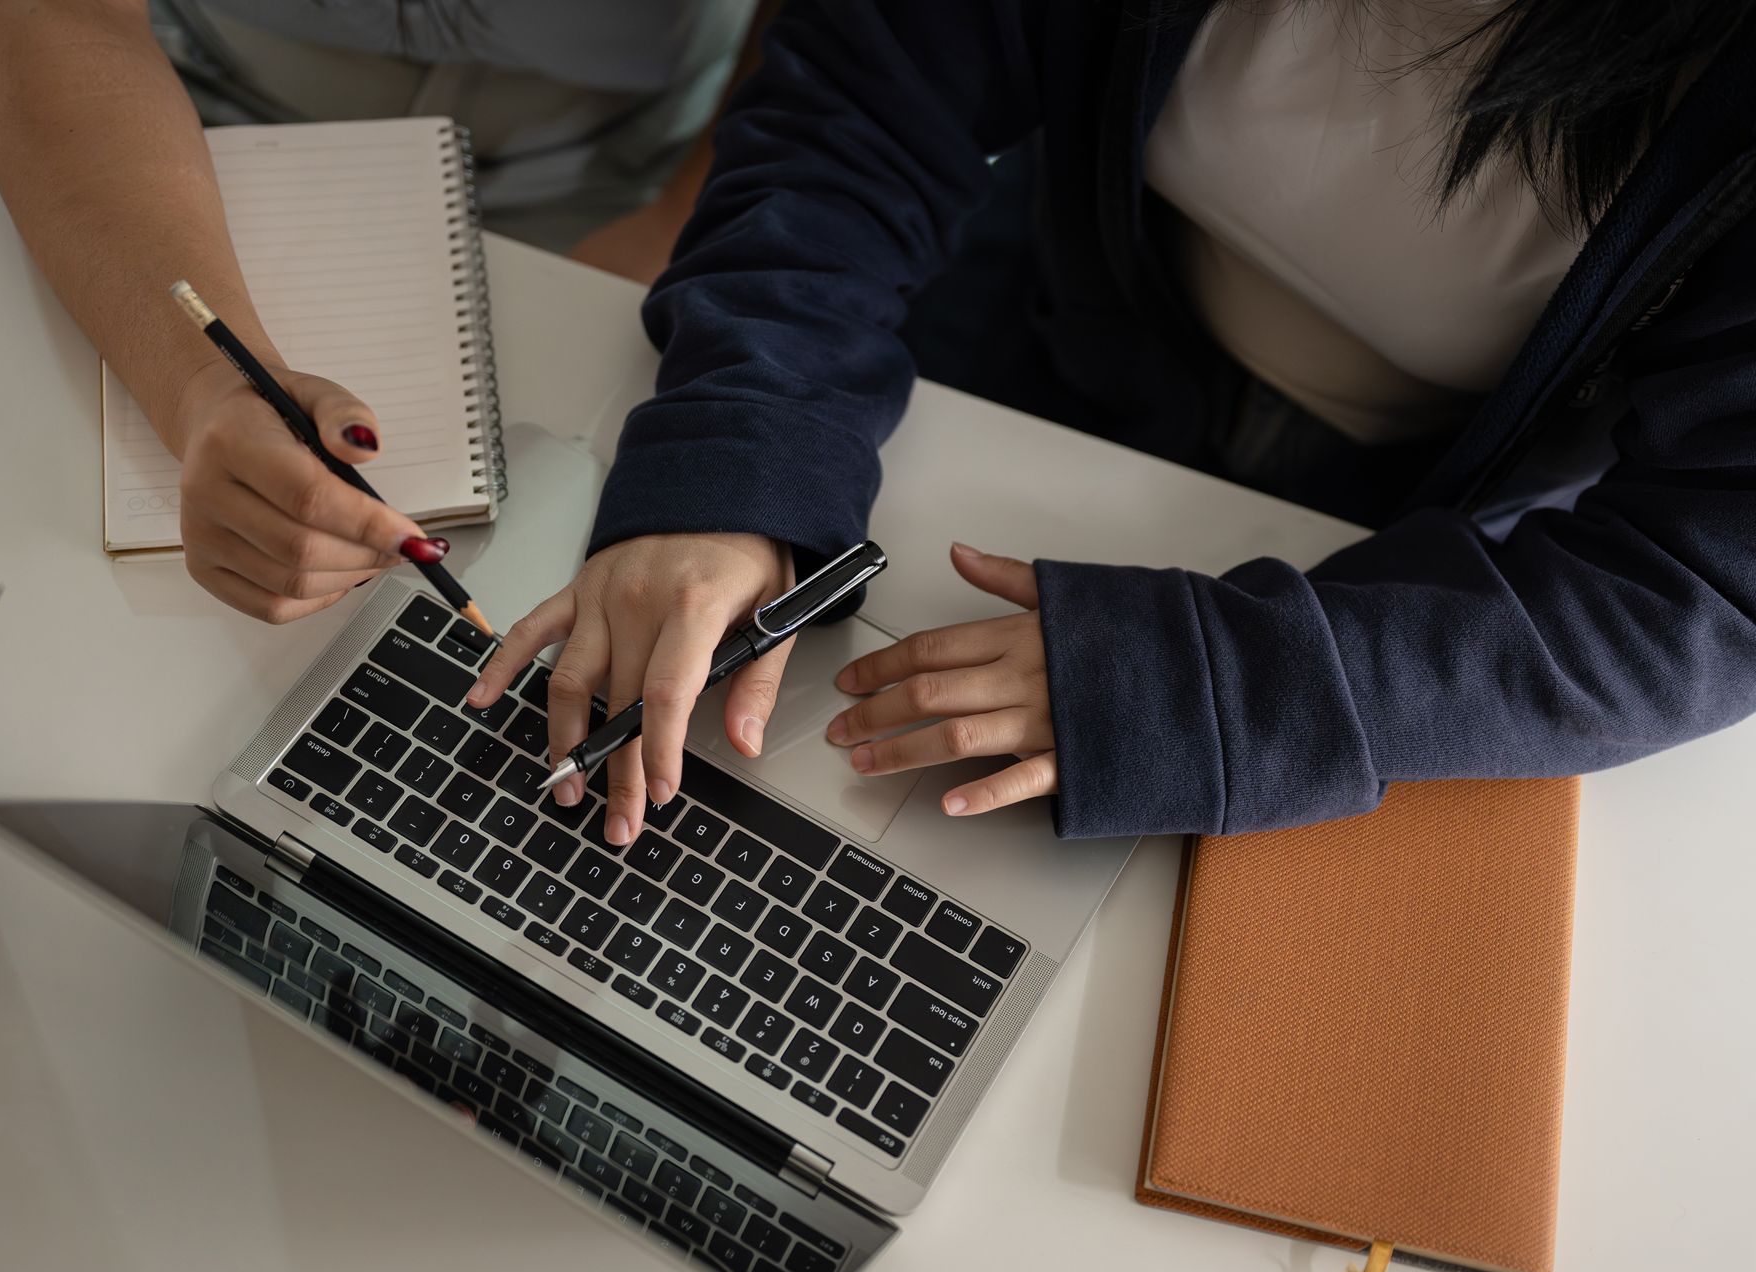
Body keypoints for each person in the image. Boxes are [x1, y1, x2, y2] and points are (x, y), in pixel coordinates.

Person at [465, 0, 1756, 849]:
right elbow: (860, 100)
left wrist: (1212, 687)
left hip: (1426, 530)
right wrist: (737, 453)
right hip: (1042, 312)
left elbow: (1702, 587)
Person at [0, 0, 771, 621]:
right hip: (166, 137)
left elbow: (843, 53)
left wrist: (673, 224)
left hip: (639, 187)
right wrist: (202, 383)